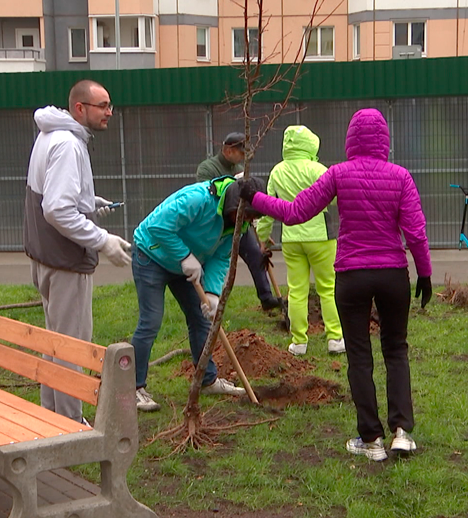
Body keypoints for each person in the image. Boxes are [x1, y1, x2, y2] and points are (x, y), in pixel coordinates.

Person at [240, 108, 432, 462]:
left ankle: (371, 440)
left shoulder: (338, 174)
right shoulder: (401, 177)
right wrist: (425, 273)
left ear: (350, 139)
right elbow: (416, 231)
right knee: (396, 350)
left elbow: (297, 211)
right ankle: (402, 432)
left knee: (359, 355)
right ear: (385, 140)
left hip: (352, 276)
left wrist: (255, 198)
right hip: (393, 274)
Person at [23, 79, 132, 424]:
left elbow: (53, 195)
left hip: (44, 258)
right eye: (102, 105)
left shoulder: (49, 135)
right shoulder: (69, 145)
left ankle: (50, 414)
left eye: (110, 105)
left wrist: (88, 203)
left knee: (53, 341)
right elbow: (56, 210)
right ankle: (70, 423)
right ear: (80, 108)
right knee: (71, 346)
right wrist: (101, 240)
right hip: (66, 262)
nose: (109, 112)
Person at [130, 175, 267, 411]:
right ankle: (132, 387)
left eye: (251, 218)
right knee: (151, 321)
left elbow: (221, 257)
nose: (245, 221)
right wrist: (184, 256)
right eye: (244, 215)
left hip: (187, 264)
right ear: (235, 205)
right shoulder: (198, 199)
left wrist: (213, 293)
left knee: (201, 318)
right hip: (151, 255)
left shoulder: (239, 224)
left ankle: (207, 380)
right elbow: (158, 226)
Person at [256, 125, 344, 356]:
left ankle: (298, 342)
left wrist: (261, 238)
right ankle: (335, 338)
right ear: (311, 144)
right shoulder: (318, 169)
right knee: (328, 287)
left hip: (292, 237)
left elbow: (267, 208)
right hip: (321, 237)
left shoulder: (277, 171)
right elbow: (335, 199)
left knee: (296, 290)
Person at [197, 133, 281, 311]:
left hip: (239, 224)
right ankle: (206, 301)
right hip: (216, 225)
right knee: (210, 263)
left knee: (256, 255)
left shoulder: (241, 168)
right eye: (240, 152)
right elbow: (206, 193)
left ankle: (266, 298)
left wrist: (259, 228)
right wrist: (232, 185)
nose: (243, 156)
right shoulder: (207, 168)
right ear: (228, 150)